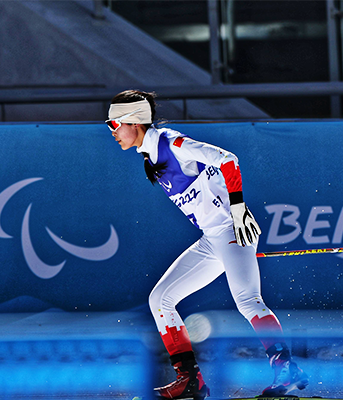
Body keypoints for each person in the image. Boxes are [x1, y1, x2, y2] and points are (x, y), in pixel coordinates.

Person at [106, 90, 308, 400]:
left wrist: (238, 208)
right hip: (212, 240)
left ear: (133, 122)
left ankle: (287, 370)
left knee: (247, 301)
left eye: (114, 123)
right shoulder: (150, 154)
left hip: (232, 230)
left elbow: (228, 160)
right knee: (161, 299)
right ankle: (190, 381)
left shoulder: (170, 142)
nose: (112, 131)